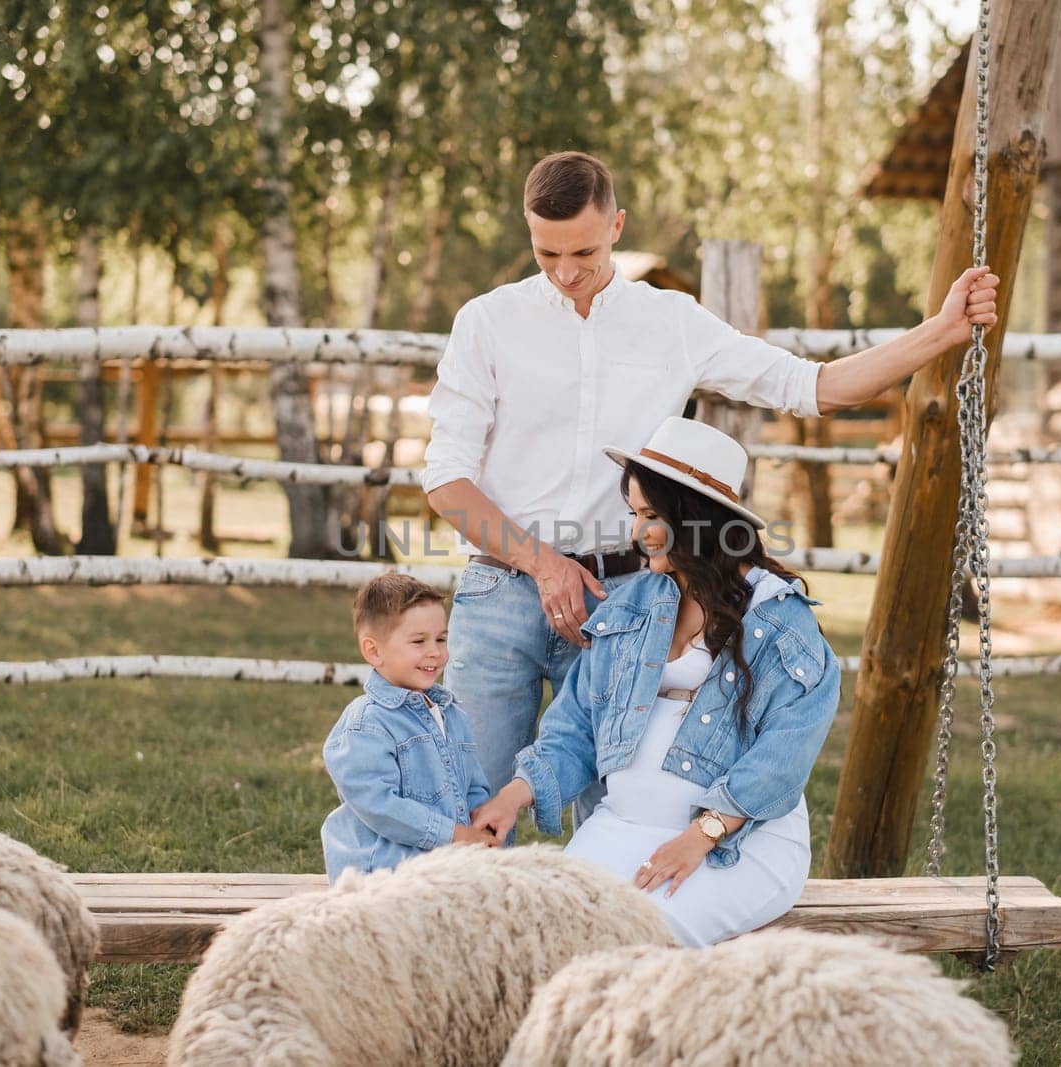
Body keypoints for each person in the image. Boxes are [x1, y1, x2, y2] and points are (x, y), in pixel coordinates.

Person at [422, 150, 999, 793]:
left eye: (582, 253)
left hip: (627, 600)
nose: (565, 273)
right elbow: (446, 477)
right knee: (470, 802)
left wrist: (942, 331)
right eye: (546, 254)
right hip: (501, 596)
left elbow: (814, 386)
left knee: (617, 811)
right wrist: (545, 564)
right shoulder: (486, 322)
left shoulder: (672, 322)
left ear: (617, 225)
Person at [472, 417, 838, 946]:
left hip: (736, 845)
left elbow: (782, 758)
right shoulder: (629, 607)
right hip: (621, 827)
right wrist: (513, 796)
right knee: (540, 936)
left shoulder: (781, 622)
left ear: (697, 521)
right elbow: (575, 729)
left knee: (639, 940)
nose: (636, 531)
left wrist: (699, 837)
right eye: (633, 513)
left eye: (650, 515)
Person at [320, 574, 497, 882]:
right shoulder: (367, 723)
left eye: (441, 639)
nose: (435, 652)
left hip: (444, 865)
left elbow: (473, 787)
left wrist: (483, 826)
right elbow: (379, 805)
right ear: (374, 651)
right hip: (381, 873)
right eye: (419, 641)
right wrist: (454, 835)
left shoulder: (453, 715)